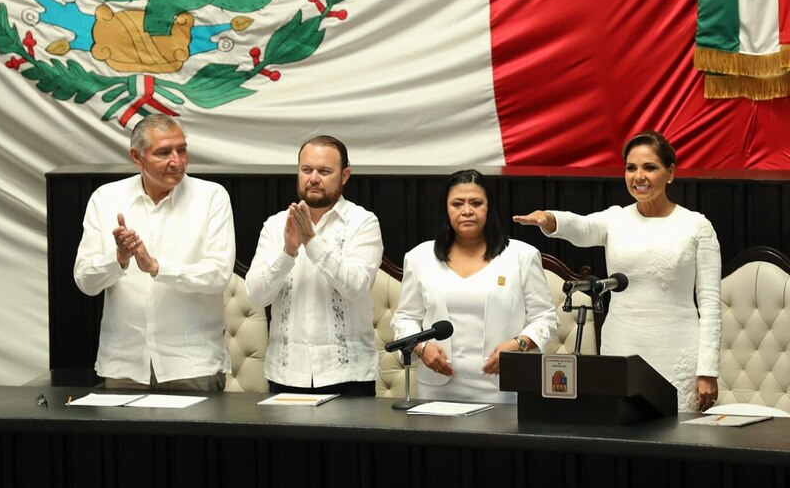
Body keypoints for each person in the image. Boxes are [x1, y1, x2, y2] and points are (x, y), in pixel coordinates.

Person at [513, 130, 721, 412]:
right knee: (624, 432)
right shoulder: (616, 219)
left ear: (670, 172)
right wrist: (550, 219)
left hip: (677, 348)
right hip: (622, 345)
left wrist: (707, 370)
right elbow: (582, 227)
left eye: (650, 167)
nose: (639, 176)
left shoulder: (697, 226)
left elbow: (710, 303)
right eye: (631, 168)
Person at [74, 114, 235, 391]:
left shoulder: (211, 197)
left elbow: (219, 275)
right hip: (124, 363)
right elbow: (85, 282)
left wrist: (157, 268)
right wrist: (119, 259)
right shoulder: (106, 198)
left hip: (191, 363)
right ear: (137, 157)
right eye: (164, 152)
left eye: (182, 149)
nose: (177, 161)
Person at [391, 169, 557, 404]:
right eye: (457, 204)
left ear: (489, 208)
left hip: (504, 386)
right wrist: (420, 347)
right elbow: (405, 318)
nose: (467, 211)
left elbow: (545, 318)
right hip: (437, 388)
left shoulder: (522, 255)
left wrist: (518, 345)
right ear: (446, 210)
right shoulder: (420, 257)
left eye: (476, 203)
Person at [245, 135, 383, 396]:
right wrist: (288, 252)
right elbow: (255, 294)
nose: (314, 178)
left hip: (348, 376)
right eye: (306, 170)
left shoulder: (363, 222)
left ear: (345, 175)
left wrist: (312, 241)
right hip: (286, 375)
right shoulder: (276, 225)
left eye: (324, 171)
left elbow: (355, 286)